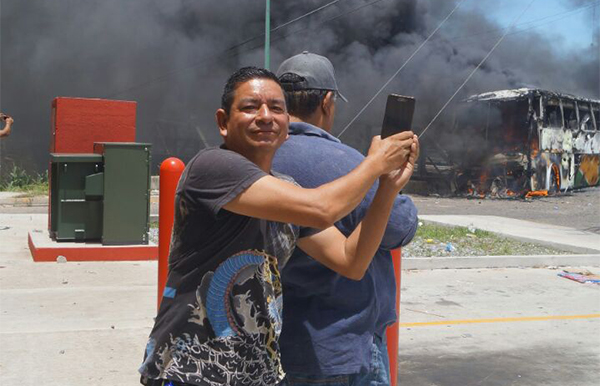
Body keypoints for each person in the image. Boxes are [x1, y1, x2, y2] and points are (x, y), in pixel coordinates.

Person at [138, 66, 418, 386]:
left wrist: (387, 187)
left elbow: (350, 260)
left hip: (253, 375)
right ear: (222, 123)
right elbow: (322, 208)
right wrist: (374, 164)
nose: (265, 115)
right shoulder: (212, 167)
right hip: (191, 371)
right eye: (249, 107)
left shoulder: (285, 190)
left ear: (287, 125)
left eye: (276, 107)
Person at [272, 52, 419, 385]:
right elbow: (400, 226)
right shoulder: (346, 162)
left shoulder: (258, 159)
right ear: (327, 102)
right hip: (345, 348)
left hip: (287, 338)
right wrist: (387, 180)